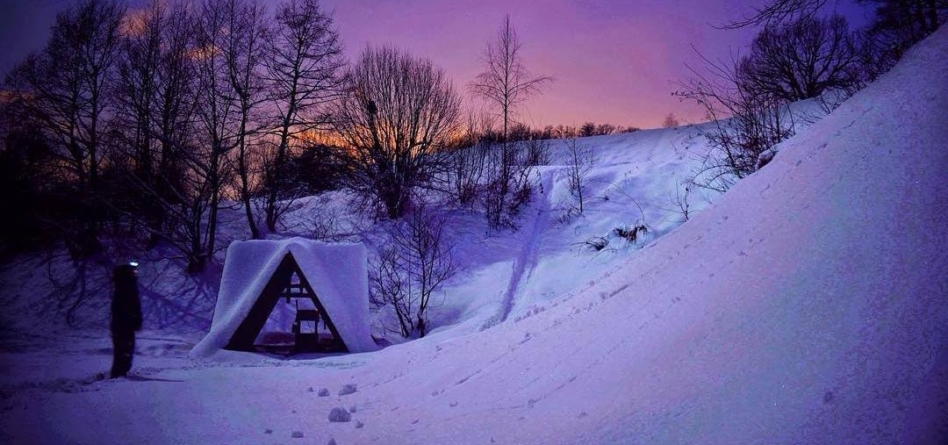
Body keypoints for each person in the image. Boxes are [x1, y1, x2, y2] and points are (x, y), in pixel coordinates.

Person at [110, 263, 142, 378]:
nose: (135, 272)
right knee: (123, 350)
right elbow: (133, 305)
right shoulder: (126, 286)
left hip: (123, 323)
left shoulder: (124, 286)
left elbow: (134, 305)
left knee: (124, 350)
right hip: (123, 324)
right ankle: (118, 374)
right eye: (133, 271)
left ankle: (119, 372)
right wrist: (136, 320)